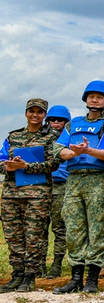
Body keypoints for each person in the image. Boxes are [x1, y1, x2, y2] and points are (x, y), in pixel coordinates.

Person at [53, 81, 104, 294]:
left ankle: (92, 279)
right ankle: (75, 278)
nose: (95, 100)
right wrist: (75, 153)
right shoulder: (73, 124)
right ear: (85, 99)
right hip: (74, 179)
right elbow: (58, 150)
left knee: (97, 228)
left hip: (98, 179)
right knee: (74, 228)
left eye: (99, 96)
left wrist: (88, 151)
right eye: (91, 96)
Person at [1, 98, 61, 293]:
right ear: (26, 113)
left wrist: (27, 166)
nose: (35, 115)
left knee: (34, 236)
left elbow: (53, 164)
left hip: (38, 195)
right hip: (11, 194)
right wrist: (8, 166)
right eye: (31, 111)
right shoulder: (13, 137)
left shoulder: (51, 138)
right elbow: (1, 161)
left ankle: (30, 276)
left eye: (39, 112)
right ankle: (17, 274)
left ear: (44, 115)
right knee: (13, 236)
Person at [44, 105, 71, 278]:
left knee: (60, 228)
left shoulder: (71, 138)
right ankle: (38, 264)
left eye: (59, 120)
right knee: (39, 228)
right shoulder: (42, 138)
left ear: (65, 122)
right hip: (42, 185)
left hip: (62, 187)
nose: (55, 123)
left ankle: (57, 264)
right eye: (52, 119)